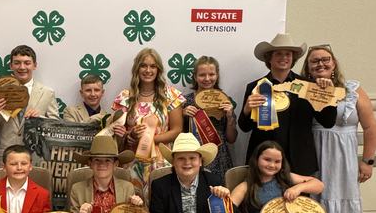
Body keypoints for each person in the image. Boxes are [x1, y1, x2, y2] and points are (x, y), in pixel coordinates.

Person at [302, 45, 376, 213]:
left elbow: (369, 127)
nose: (320, 64)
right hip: (314, 156)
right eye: (314, 61)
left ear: (334, 63)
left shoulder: (353, 90)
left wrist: (368, 161)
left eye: (325, 59)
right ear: (307, 67)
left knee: (337, 212)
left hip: (344, 159)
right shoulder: (303, 90)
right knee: (314, 209)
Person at [238, 33, 337, 174]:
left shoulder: (308, 86)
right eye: (278, 54)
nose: (284, 58)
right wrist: (247, 109)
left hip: (299, 161)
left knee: (299, 197)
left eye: (288, 54)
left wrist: (329, 95)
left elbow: (328, 122)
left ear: (293, 59)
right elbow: (244, 127)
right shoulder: (256, 86)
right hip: (265, 161)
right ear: (269, 58)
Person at [112, 47, 184, 198]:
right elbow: (118, 132)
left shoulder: (170, 95)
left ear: (158, 69)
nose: (148, 70)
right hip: (133, 162)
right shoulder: (125, 97)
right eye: (143, 65)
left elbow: (177, 130)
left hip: (162, 162)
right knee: (133, 207)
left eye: (153, 66)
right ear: (137, 68)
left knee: (161, 206)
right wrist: (130, 136)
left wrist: (150, 139)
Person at [0, 45, 59, 166]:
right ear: (11, 65)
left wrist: (40, 120)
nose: (22, 67)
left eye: (27, 63)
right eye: (17, 63)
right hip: (6, 159)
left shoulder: (47, 93)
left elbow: (55, 126)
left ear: (35, 65)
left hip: (35, 159)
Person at [183, 55, 237, 183]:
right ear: (195, 77)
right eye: (202, 75)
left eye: (211, 74)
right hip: (192, 155)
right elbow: (177, 133)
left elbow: (232, 139)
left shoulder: (224, 100)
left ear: (217, 75)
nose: (207, 79)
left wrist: (230, 118)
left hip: (219, 155)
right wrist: (183, 114)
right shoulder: (186, 101)